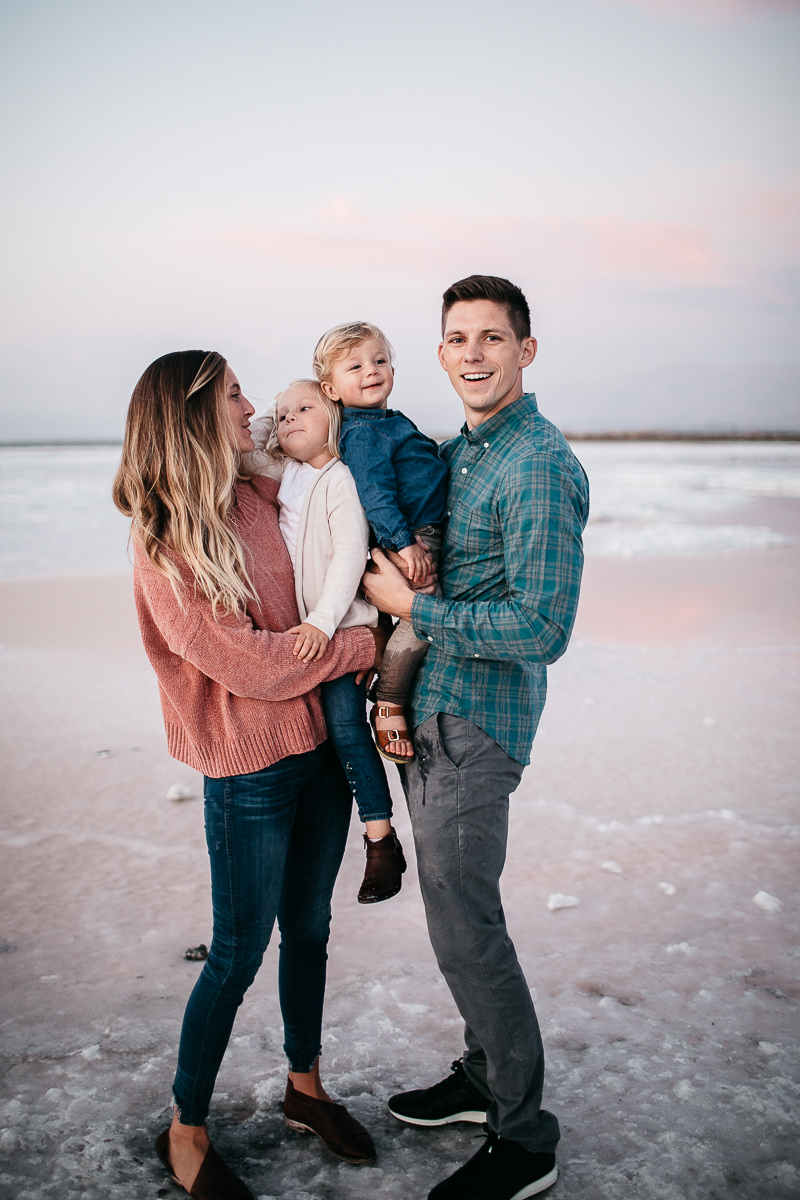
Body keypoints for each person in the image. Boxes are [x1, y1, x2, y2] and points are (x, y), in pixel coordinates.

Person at [112, 351, 381, 1200]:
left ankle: (305, 1089)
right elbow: (254, 666)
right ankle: (186, 1131)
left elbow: (332, 522)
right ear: (192, 414)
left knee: (310, 932)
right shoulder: (164, 544)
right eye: (232, 394)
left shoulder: (257, 492)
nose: (250, 404)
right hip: (251, 770)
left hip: (320, 758)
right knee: (235, 952)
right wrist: (371, 644)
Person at [361, 276, 590, 1200]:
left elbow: (543, 627)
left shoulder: (535, 461)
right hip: (434, 712)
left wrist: (413, 607)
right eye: (457, 338)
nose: (472, 354)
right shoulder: (465, 450)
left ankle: (525, 1136)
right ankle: (482, 1077)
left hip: (478, 723)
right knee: (454, 921)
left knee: (469, 928)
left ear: (525, 352)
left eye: (492, 338)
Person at [242, 377, 407, 904]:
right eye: (283, 413)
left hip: (342, 624)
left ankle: (381, 841)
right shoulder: (284, 473)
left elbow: (348, 557)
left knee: (343, 728)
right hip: (309, 630)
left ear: (334, 414)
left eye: (304, 409)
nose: (289, 419)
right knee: (319, 742)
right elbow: (250, 450)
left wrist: (323, 620)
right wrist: (282, 408)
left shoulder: (341, 479)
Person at [313, 321, 449, 763]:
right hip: (407, 537)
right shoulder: (363, 432)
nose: (371, 371)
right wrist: (404, 543)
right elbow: (375, 494)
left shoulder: (387, 421)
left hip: (417, 531)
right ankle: (388, 700)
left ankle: (389, 675)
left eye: (379, 360)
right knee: (424, 611)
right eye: (354, 367)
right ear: (330, 389)